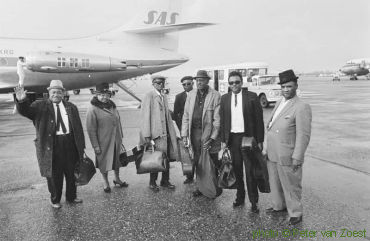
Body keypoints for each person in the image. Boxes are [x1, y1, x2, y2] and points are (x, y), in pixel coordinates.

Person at [14, 80, 85, 209]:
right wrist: (21, 101)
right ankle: (55, 199)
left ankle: (71, 197)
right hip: (51, 145)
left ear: (63, 93)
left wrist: (81, 147)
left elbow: (78, 129)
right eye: (53, 92)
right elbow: (26, 112)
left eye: (59, 92)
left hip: (69, 143)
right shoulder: (39, 106)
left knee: (71, 173)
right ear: (49, 92)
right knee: (54, 175)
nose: (56, 94)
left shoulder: (71, 107)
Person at [265, 69, 312, 225]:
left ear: (296, 86)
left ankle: (296, 212)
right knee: (275, 182)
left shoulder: (301, 106)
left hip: (288, 153)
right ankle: (278, 206)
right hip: (273, 152)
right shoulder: (279, 102)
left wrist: (298, 156)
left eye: (289, 86)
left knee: (291, 185)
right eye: (283, 87)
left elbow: (303, 134)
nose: (286, 90)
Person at [220, 71, 265, 211]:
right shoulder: (224, 98)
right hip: (233, 139)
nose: (234, 85)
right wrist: (223, 141)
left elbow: (259, 121)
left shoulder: (251, 97)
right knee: (237, 170)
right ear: (229, 84)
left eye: (237, 82)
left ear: (241, 83)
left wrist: (259, 140)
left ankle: (254, 202)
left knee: (250, 171)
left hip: (248, 138)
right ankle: (240, 197)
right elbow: (223, 122)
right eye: (231, 82)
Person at [181, 70, 222, 199]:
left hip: (208, 134)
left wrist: (213, 137)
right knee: (197, 161)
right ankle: (200, 187)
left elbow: (217, 120)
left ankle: (213, 187)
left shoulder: (215, 95)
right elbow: (186, 116)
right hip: (194, 133)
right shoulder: (191, 95)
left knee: (211, 161)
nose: (199, 82)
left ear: (207, 81)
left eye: (202, 80)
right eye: (197, 80)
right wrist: (184, 134)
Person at [86, 83, 128, 193]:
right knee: (104, 162)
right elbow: (91, 130)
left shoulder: (112, 105)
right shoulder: (92, 108)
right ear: (96, 95)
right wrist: (95, 146)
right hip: (103, 142)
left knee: (116, 161)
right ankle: (105, 182)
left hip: (115, 139)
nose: (104, 97)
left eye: (106, 95)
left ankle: (117, 179)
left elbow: (118, 121)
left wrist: (121, 137)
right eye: (101, 95)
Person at [140, 75, 178, 191]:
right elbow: (145, 116)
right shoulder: (149, 96)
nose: (160, 84)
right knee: (155, 159)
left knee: (166, 159)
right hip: (156, 135)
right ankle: (152, 182)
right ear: (153, 83)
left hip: (166, 134)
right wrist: (147, 135)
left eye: (162, 83)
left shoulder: (163, 96)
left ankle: (165, 181)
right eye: (157, 83)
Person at [173, 75, 195, 184]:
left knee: (197, 153)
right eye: (184, 84)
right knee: (186, 154)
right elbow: (176, 113)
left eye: (188, 84)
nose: (186, 86)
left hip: (196, 129)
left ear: (192, 84)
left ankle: (201, 176)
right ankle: (189, 176)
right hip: (184, 129)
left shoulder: (197, 94)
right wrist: (181, 128)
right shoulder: (179, 97)